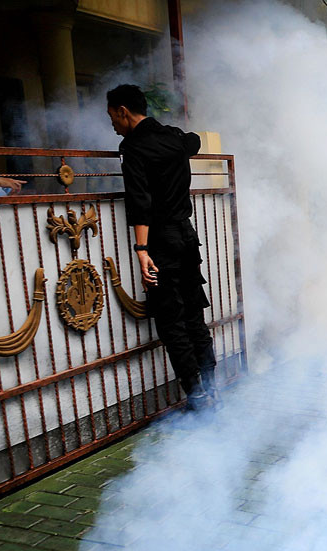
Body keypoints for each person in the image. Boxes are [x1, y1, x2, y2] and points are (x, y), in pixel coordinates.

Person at [106, 84, 218, 410]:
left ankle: (197, 396)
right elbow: (193, 140)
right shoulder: (174, 138)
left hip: (161, 242)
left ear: (124, 112)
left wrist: (142, 251)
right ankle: (213, 389)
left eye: (113, 116)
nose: (112, 124)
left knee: (172, 322)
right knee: (194, 317)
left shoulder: (135, 149)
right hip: (187, 235)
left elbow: (140, 204)